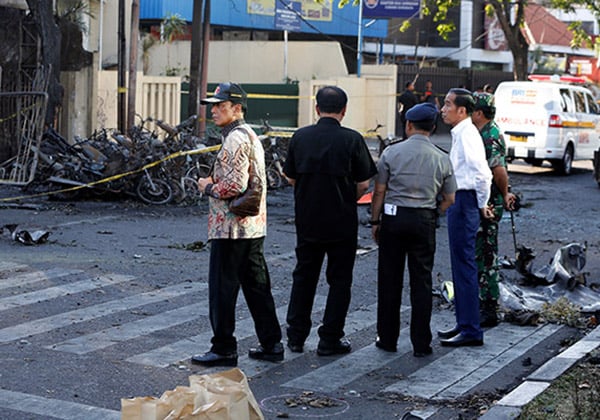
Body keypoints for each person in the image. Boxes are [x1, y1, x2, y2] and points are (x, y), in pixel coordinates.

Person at [192, 82, 283, 367]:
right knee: (257, 286)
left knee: (222, 288)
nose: (215, 111)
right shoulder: (250, 135)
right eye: (213, 106)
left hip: (230, 228)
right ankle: (271, 343)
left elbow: (234, 184)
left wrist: (207, 186)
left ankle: (223, 348)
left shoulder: (235, 138)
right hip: (253, 227)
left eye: (221, 105)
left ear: (237, 108)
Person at [283, 85, 377, 356]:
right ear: (344, 110)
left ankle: (296, 337)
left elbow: (290, 177)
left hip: (308, 219)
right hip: (341, 220)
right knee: (339, 280)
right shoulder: (352, 140)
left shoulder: (300, 137)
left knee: (304, 277)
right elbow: (363, 184)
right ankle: (330, 338)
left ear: (316, 108)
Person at [370, 102, 456, 357]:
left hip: (393, 220)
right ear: (432, 127)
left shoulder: (391, 153)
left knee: (389, 280)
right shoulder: (442, 157)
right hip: (424, 220)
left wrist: (375, 222)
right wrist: (432, 212)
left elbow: (379, 191)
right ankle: (421, 343)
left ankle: (387, 338)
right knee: (421, 280)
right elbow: (450, 199)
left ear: (408, 125)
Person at [438, 88, 493, 347]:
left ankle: (471, 330)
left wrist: (481, 204)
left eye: (448, 105)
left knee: (465, 266)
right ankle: (464, 323)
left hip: (466, 200)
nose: (443, 109)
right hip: (461, 200)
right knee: (459, 265)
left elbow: (483, 174)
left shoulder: (468, 134)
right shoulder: (461, 133)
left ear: (462, 110)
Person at [471, 92, 517, 327]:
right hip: (487, 198)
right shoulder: (485, 132)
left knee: (486, 253)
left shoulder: (489, 136)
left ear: (479, 113)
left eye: (471, 110)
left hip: (490, 201)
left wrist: (506, 192)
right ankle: (483, 301)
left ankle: (489, 306)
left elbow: (498, 170)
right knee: (481, 250)